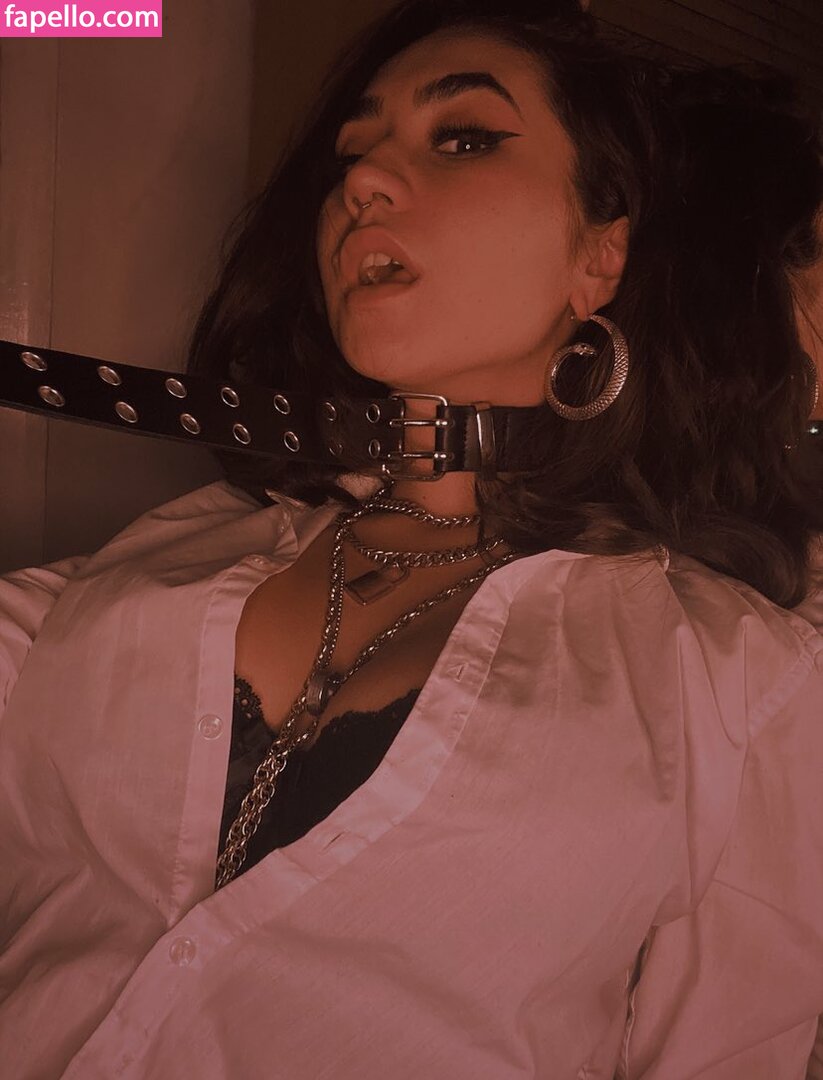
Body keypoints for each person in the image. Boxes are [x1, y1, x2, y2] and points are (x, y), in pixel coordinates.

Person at [1, 0, 822, 1076]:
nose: (364, 183)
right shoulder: (153, 563)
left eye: (464, 138)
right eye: (352, 154)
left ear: (602, 251)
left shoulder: (737, 679)